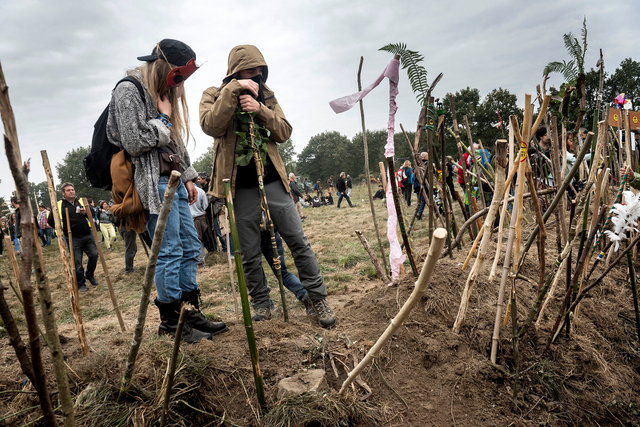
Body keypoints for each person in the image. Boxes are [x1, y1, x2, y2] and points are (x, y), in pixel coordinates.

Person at [199, 44, 336, 328]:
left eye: (261, 70)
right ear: (236, 71)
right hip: (238, 189)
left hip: (273, 182)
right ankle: (262, 302)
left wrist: (260, 109)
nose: (258, 75)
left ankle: (317, 297)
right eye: (252, 70)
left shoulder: (267, 95)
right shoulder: (214, 94)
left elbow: (284, 131)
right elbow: (211, 125)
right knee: (248, 252)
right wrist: (233, 92)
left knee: (298, 242)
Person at [106, 39, 227, 343]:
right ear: (164, 68)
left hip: (172, 179)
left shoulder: (161, 94)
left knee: (188, 244)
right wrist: (162, 118)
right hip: (152, 182)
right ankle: (171, 321)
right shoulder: (128, 90)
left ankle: (190, 312)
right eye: (178, 76)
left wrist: (187, 176)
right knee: (169, 250)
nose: (180, 84)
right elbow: (134, 141)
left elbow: (174, 143)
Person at [47, 183, 99, 293]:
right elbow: (51, 220)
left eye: (72, 189)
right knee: (77, 262)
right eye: (68, 190)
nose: (71, 191)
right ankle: (81, 284)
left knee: (94, 255)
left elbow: (93, 213)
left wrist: (86, 213)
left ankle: (89, 275)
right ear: (63, 193)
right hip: (72, 238)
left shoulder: (81, 201)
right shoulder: (59, 205)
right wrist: (61, 230)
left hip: (86, 235)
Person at [189, 178, 210, 266]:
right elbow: (205, 205)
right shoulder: (200, 191)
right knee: (199, 239)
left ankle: (198, 260)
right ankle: (201, 260)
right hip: (199, 217)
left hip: (189, 219)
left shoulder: (181, 191)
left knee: (193, 240)